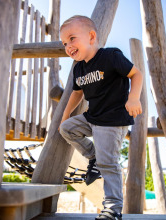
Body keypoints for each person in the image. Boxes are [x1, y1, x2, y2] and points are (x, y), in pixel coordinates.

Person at [59, 15, 143, 220]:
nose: (68, 46)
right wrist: (65, 114)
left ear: (91, 36)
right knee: (67, 128)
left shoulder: (110, 56)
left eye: (71, 39)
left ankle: (113, 209)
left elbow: (136, 74)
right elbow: (77, 93)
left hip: (112, 120)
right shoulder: (78, 68)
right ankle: (94, 156)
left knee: (109, 163)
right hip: (92, 117)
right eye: (64, 43)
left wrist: (133, 98)